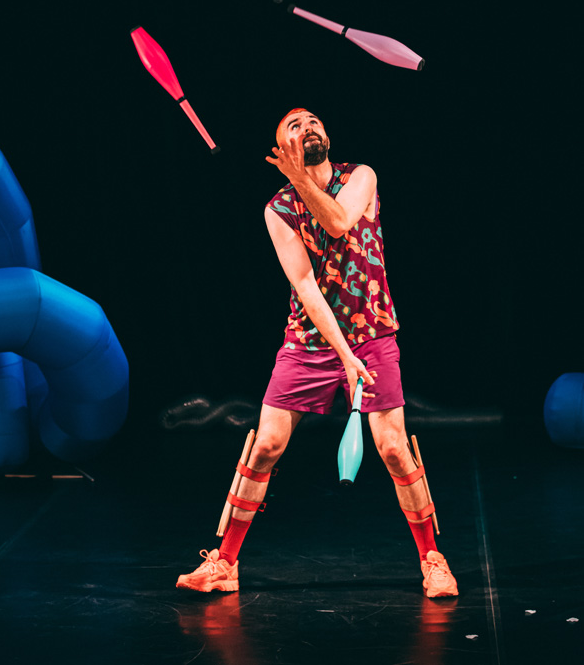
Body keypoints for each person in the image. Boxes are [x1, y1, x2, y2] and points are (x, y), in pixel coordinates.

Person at [176, 108, 458, 598]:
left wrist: (301, 180)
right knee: (265, 445)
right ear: (282, 149)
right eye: (294, 126)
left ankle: (433, 559)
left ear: (325, 134)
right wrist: (343, 354)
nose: (307, 127)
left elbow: (339, 221)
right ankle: (224, 563)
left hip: (373, 332)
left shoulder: (361, 177)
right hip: (308, 341)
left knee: (393, 448)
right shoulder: (277, 209)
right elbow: (305, 286)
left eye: (313, 121)